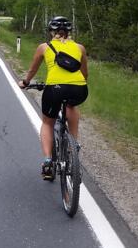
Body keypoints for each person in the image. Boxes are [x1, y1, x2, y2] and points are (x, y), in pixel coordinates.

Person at [18, 16, 88, 180]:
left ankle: (48, 162)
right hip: (79, 88)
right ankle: (73, 144)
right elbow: (85, 73)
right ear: (69, 32)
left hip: (54, 89)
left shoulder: (44, 47)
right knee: (71, 106)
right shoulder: (80, 48)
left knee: (47, 123)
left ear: (51, 31)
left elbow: (32, 70)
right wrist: (76, 84)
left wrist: (25, 82)